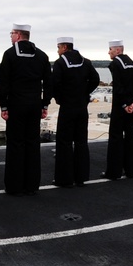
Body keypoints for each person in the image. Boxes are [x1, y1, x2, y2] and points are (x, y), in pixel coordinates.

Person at [0, 23, 51, 196]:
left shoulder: (10, 54)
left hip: (16, 105)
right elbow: (48, 83)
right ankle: (32, 184)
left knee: (15, 144)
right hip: (34, 105)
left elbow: (4, 83)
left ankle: (14, 186)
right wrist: (45, 104)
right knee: (32, 144)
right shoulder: (42, 56)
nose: (11, 36)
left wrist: (3, 105)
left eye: (12, 33)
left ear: (19, 35)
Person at [51, 36, 99, 188]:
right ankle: (81, 176)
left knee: (64, 142)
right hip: (81, 106)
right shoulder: (86, 62)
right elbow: (95, 79)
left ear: (65, 47)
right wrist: (84, 93)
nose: (58, 50)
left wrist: (60, 98)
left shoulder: (60, 63)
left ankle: (64, 178)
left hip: (67, 106)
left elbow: (55, 84)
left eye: (58, 47)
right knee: (81, 141)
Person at [103, 40, 133, 180]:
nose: (109, 52)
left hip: (120, 107)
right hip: (132, 107)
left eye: (110, 49)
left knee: (116, 138)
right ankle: (131, 169)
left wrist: (124, 104)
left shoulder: (115, 64)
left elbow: (118, 87)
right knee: (131, 137)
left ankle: (114, 171)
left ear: (118, 50)